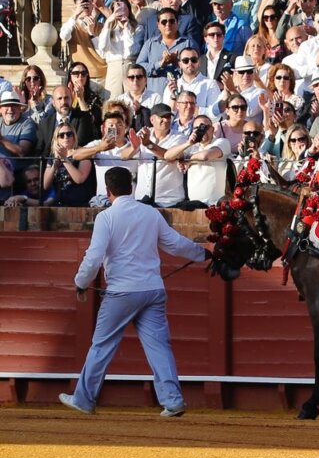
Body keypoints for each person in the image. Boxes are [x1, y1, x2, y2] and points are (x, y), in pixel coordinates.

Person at [59, 167, 211, 417]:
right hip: (152, 289)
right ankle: (172, 400)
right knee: (159, 346)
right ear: (131, 187)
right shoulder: (150, 213)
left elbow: (94, 256)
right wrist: (202, 253)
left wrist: (81, 282)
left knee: (102, 345)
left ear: (107, 192)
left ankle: (84, 399)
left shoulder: (106, 218)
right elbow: (174, 243)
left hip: (122, 292)